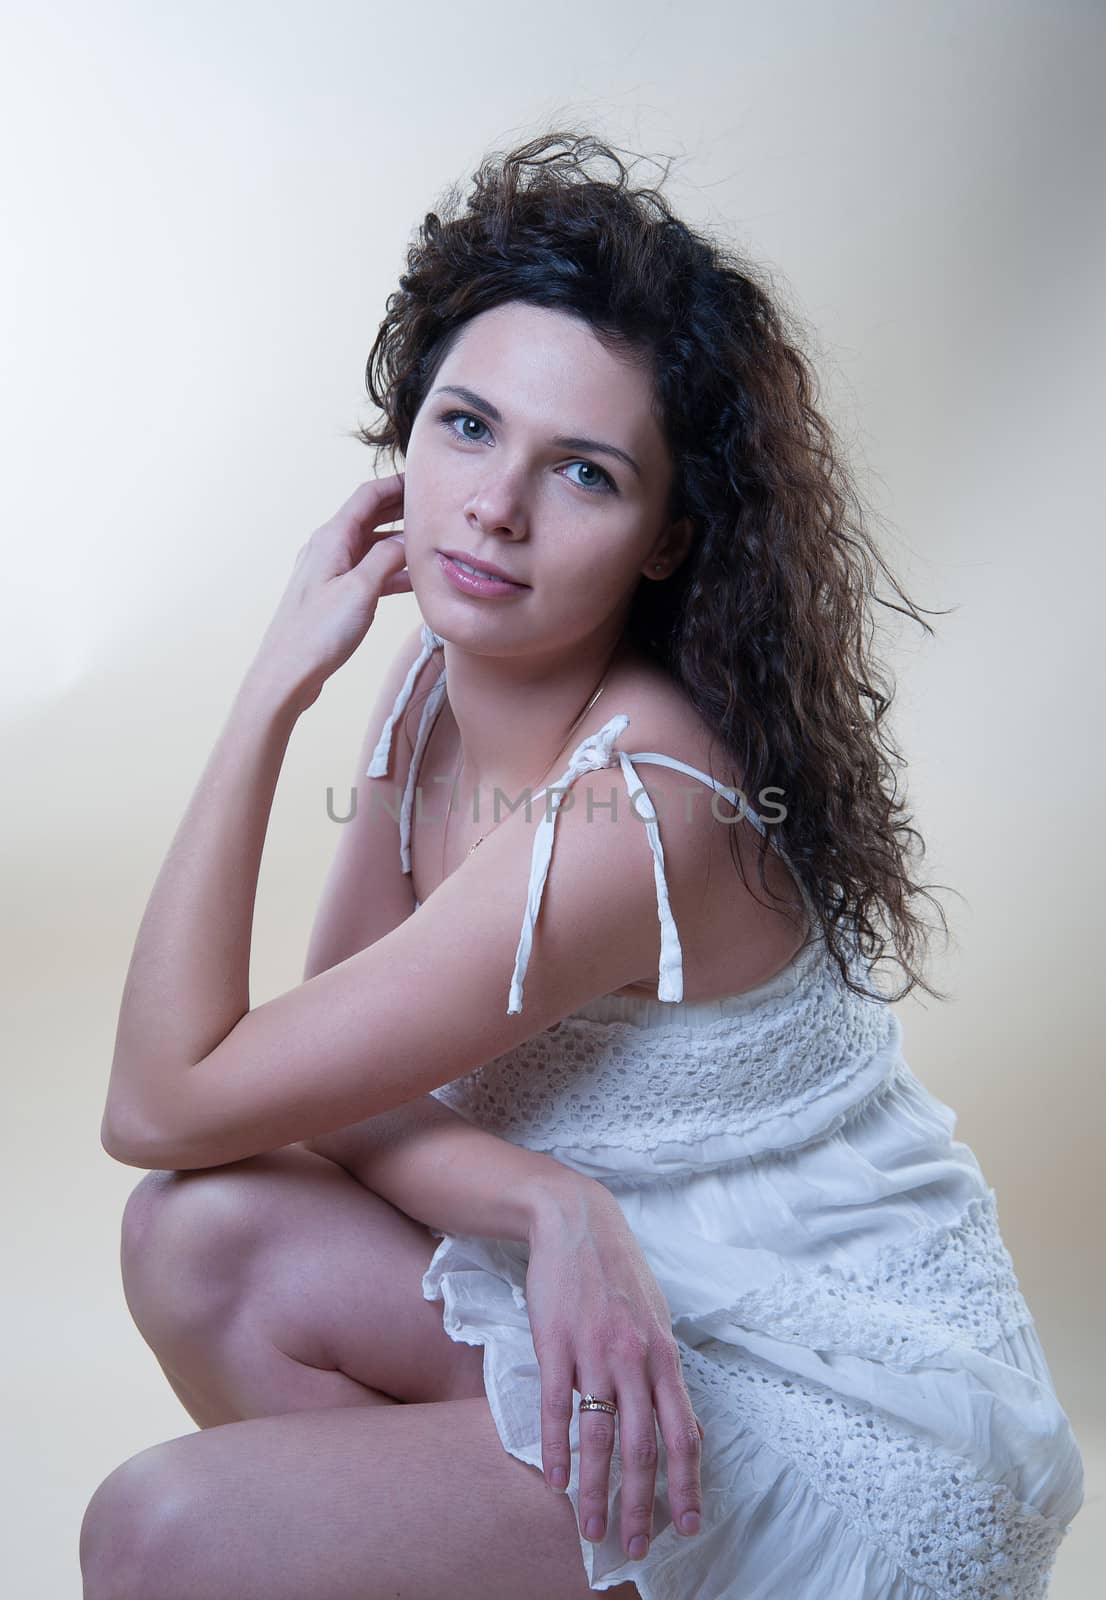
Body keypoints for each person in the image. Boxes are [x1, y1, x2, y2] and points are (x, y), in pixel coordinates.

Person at [82, 131, 1084, 1600]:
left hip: (841, 1428)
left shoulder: (640, 810)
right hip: (644, 1320)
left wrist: (260, 700)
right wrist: (548, 1205)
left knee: (160, 1532)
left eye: (586, 472)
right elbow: (300, 1095)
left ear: (668, 537)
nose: (494, 506)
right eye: (467, 427)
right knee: (201, 1236)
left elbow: (166, 1092)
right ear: (404, 430)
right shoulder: (431, 686)